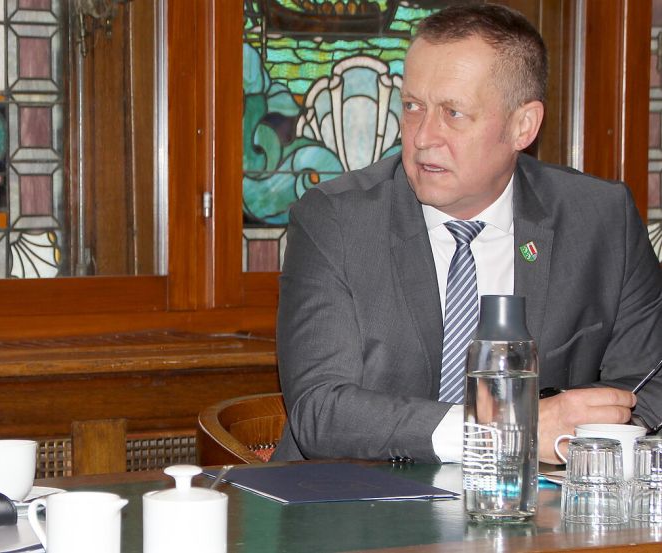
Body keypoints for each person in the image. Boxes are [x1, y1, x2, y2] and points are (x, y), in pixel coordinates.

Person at [274, 4, 662, 465]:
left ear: (524, 126)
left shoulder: (600, 219)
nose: (422, 137)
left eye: (453, 113)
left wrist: (587, 444)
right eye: (413, 106)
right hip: (361, 513)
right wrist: (504, 433)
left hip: (536, 520)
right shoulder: (336, 221)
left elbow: (648, 386)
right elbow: (321, 411)